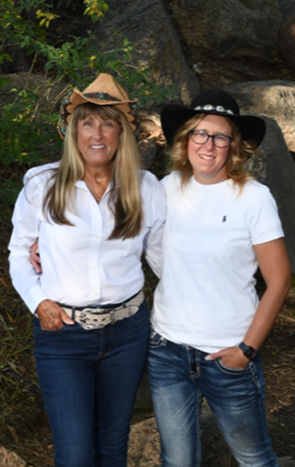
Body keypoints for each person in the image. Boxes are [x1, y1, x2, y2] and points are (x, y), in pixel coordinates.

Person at [8, 73, 166, 467]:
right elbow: (16, 253)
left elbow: (165, 261)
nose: (98, 133)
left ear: (123, 134)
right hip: (62, 334)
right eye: (88, 121)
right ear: (73, 130)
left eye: (108, 122)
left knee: (113, 446)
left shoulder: (145, 188)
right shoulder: (42, 186)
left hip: (127, 331)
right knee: (76, 455)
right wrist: (39, 300)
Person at [148, 88, 291, 467]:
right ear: (186, 139)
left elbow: (279, 280)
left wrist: (246, 350)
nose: (208, 144)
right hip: (167, 351)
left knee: (254, 459)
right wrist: (43, 246)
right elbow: (122, 238)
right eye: (200, 133)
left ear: (234, 145)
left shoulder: (253, 198)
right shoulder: (164, 191)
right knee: (177, 461)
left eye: (220, 136)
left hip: (228, 354)